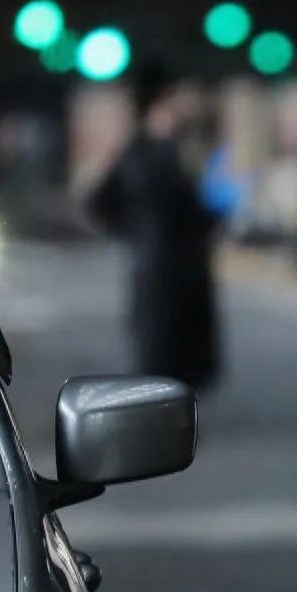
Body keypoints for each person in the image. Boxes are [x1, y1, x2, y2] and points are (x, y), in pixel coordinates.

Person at [92, 67, 222, 390]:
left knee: (181, 351)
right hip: (159, 268)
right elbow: (100, 201)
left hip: (178, 263)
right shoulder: (144, 152)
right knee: (161, 348)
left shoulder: (174, 148)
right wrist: (134, 233)